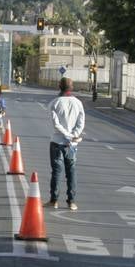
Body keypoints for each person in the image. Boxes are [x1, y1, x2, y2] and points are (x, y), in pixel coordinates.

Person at [48, 76, 85, 210]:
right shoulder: (78, 103)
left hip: (57, 142)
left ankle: (54, 200)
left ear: (59, 86)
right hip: (72, 144)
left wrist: (66, 135)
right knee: (71, 172)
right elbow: (81, 123)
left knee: (56, 172)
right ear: (72, 87)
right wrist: (73, 135)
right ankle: (71, 201)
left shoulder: (54, 103)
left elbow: (55, 124)